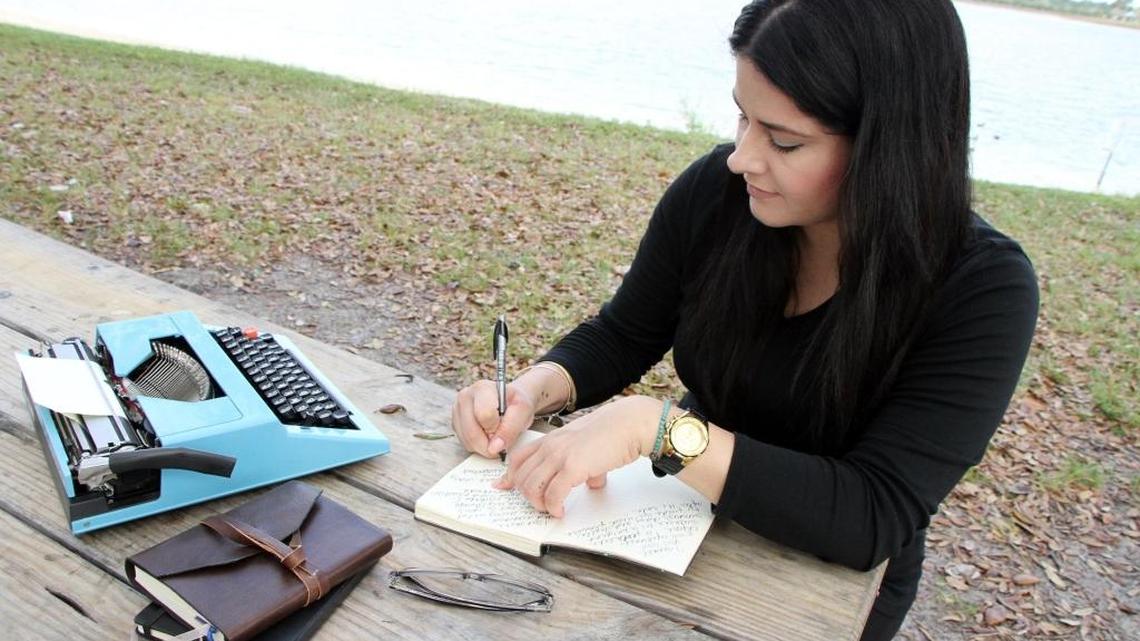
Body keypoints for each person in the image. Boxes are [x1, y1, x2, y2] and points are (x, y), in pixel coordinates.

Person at [450, 0, 1039, 638]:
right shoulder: (719, 192)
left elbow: (872, 512)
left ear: (889, 145)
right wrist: (532, 390)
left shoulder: (982, 287)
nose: (743, 157)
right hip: (666, 520)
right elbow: (624, 333)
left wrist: (660, 431)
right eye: (742, 117)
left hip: (825, 590)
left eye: (784, 141)